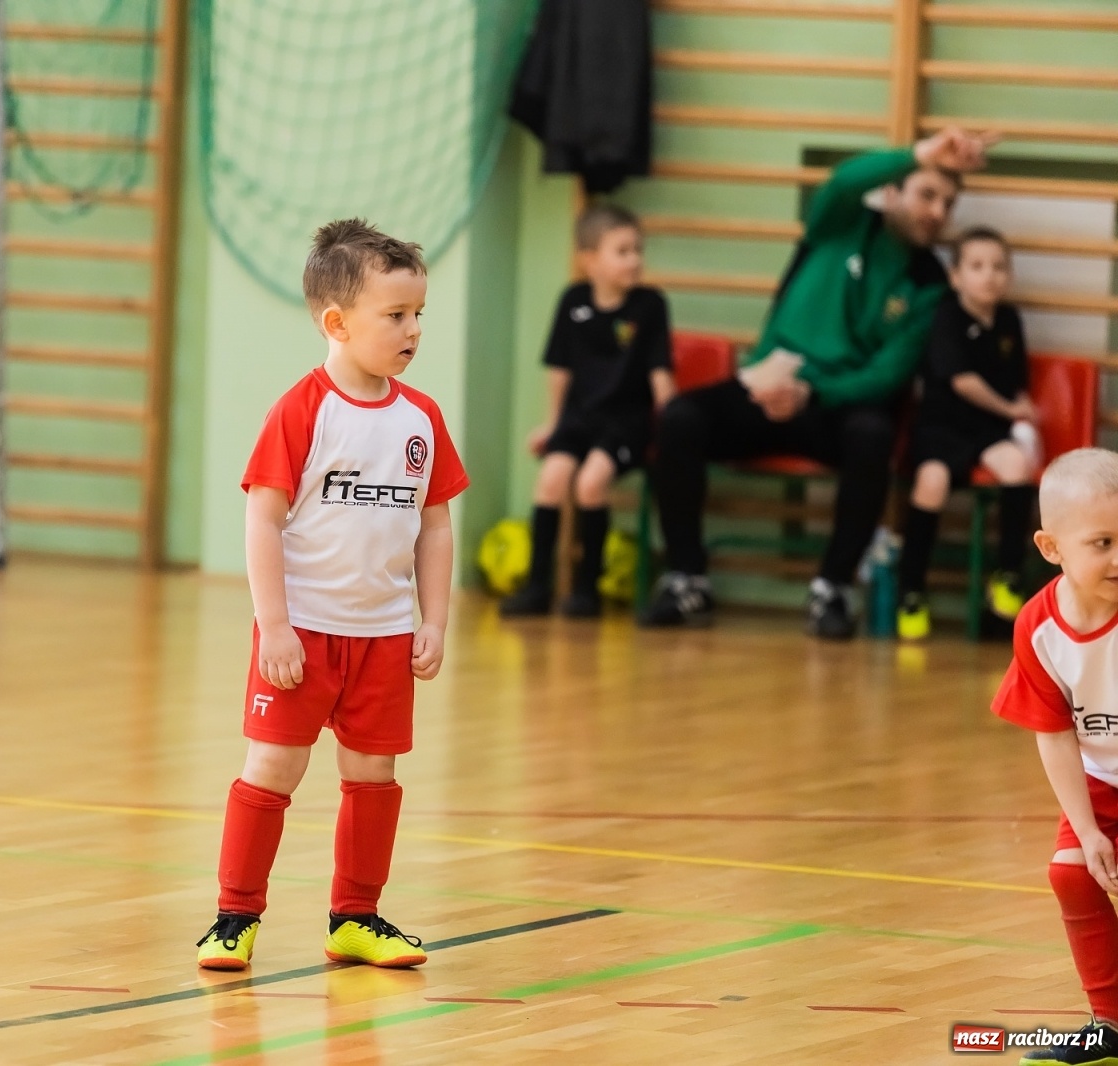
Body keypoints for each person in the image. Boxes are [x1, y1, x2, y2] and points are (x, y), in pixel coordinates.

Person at [194, 219, 468, 972]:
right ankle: (233, 917)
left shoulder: (421, 420)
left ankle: (356, 916)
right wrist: (274, 626)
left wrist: (434, 620)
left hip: (382, 638)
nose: (412, 330)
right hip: (303, 635)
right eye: (395, 315)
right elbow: (263, 517)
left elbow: (435, 527)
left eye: (419, 315)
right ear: (337, 324)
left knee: (372, 777)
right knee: (271, 772)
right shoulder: (303, 410)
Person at [640, 127, 993, 640]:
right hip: (765, 384)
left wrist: (815, 394)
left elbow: (888, 374)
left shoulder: (928, 285)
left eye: (948, 203)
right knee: (680, 418)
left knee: (873, 435)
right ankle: (686, 579)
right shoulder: (839, 223)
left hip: (831, 404)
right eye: (927, 194)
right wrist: (920, 153)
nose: (937, 211)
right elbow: (844, 181)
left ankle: (832, 587)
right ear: (893, 192)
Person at [992, 448, 1118, 1064]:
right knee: (1071, 871)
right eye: (1102, 542)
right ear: (1051, 548)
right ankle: (1112, 1023)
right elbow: (1055, 731)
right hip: (1102, 777)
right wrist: (1089, 830)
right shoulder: (1038, 628)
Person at [500, 204, 673, 618]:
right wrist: (552, 424)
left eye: (638, 250)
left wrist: (669, 425)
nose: (635, 259)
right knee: (550, 479)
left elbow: (660, 374)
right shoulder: (573, 300)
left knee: (592, 482)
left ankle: (586, 591)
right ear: (590, 259)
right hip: (580, 419)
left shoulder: (650, 305)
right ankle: (538, 587)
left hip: (625, 424)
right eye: (623, 250)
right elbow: (559, 370)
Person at [897, 227, 1036, 640]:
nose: (989, 275)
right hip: (941, 430)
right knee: (931, 482)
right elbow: (962, 381)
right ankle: (912, 591)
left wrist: (1022, 416)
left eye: (998, 267)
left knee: (1017, 468)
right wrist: (1011, 409)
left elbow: (1018, 382)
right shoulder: (946, 316)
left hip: (988, 431)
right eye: (977, 266)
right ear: (956, 276)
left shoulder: (1010, 321)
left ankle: (1008, 575)